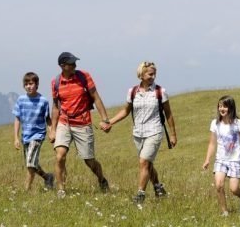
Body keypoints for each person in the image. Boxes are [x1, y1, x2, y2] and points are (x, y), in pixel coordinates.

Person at [108, 61, 177, 204]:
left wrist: (172, 134)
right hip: (138, 133)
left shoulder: (160, 92)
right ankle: (158, 187)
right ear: (141, 74)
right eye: (150, 74)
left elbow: (169, 114)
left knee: (144, 162)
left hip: (155, 131)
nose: (153, 76)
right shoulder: (132, 92)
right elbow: (126, 111)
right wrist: (110, 122)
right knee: (148, 164)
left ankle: (140, 195)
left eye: (154, 74)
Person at [48, 52, 111, 198]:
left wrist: (105, 119)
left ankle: (102, 180)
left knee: (89, 160)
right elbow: (56, 107)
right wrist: (53, 129)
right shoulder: (56, 82)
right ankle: (61, 190)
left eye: (75, 62)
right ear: (62, 66)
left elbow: (96, 97)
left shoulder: (84, 76)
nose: (75, 65)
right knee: (60, 155)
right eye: (71, 63)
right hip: (65, 122)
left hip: (82, 123)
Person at [202, 95, 240, 216]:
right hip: (221, 160)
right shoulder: (215, 123)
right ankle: (225, 212)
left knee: (234, 189)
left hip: (235, 160)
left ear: (231, 107)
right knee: (219, 185)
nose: (221, 109)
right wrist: (207, 159)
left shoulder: (237, 123)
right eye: (219, 106)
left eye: (224, 106)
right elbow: (212, 143)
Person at [13, 72, 55, 191]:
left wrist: (51, 133)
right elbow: (17, 119)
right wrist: (16, 138)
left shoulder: (43, 101)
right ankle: (47, 177)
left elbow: (48, 119)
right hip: (25, 136)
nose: (28, 86)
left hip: (38, 136)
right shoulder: (21, 100)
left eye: (31, 83)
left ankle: (26, 190)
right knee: (31, 163)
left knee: (30, 165)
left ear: (37, 85)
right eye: (26, 84)